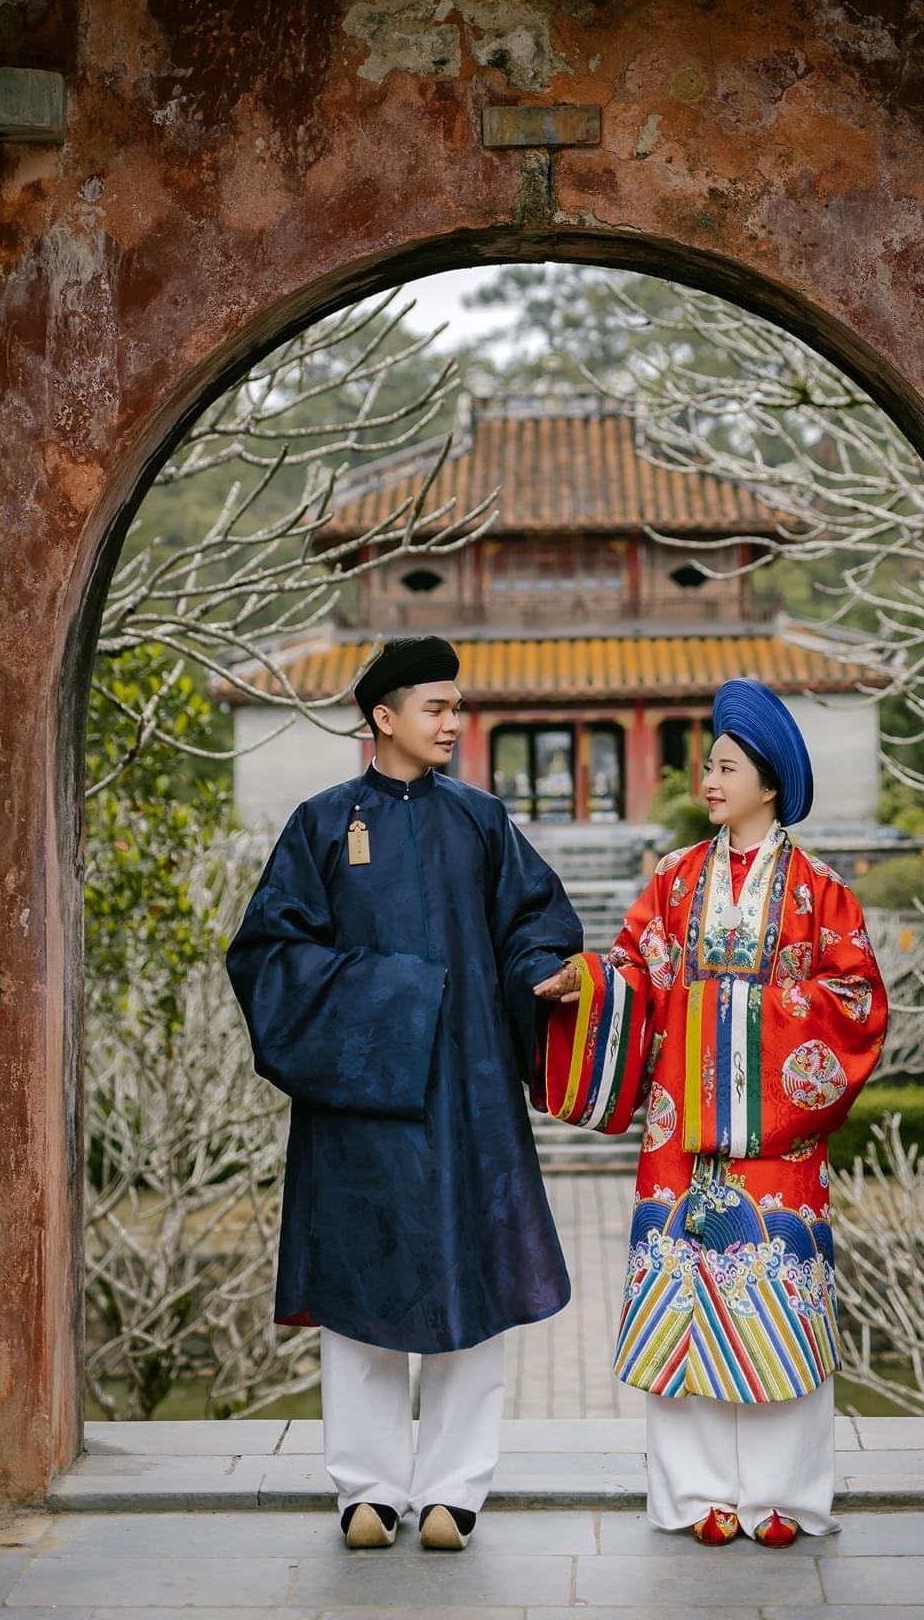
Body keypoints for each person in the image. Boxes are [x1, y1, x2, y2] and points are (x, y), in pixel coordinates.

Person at [226, 635, 582, 1552]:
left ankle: (455, 1491)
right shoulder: (319, 824)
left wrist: (541, 972)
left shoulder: (482, 819)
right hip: (362, 1102)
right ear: (382, 717)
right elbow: (268, 953)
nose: (453, 722)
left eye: (457, 707)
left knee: (475, 1286)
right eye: (436, 707)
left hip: (469, 1094)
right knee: (359, 1294)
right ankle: (369, 1490)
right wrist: (397, 996)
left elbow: (533, 920)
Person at [533, 678, 888, 1548]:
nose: (709, 780)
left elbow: (855, 1000)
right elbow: (635, 971)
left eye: (727, 767)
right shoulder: (674, 878)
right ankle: (696, 1495)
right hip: (679, 1141)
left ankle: (782, 1495)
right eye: (709, 765)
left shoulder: (819, 890)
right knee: (682, 1304)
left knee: (777, 1304)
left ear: (770, 782)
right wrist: (589, 982)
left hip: (776, 1145)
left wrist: (732, 1012)